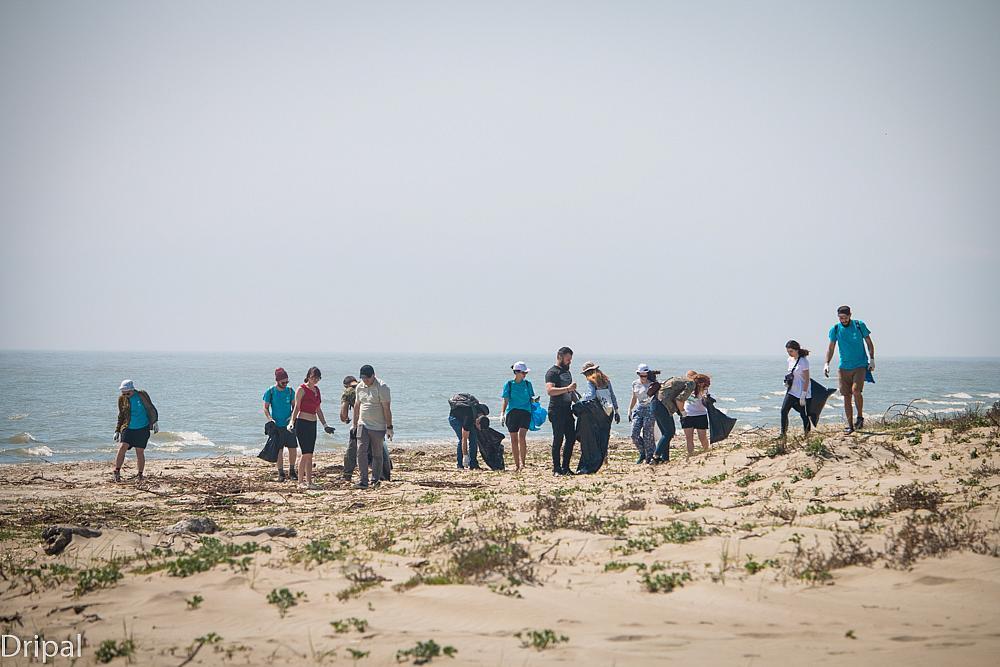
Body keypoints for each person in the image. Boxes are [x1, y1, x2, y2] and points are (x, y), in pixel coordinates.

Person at [824, 305, 875, 434]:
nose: (843, 320)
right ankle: (850, 425)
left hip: (860, 365)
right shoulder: (835, 329)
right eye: (840, 318)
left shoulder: (859, 325)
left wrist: (872, 359)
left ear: (850, 315)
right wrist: (826, 363)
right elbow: (831, 348)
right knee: (846, 396)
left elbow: (869, 342)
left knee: (856, 390)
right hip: (843, 367)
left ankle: (860, 417)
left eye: (845, 318)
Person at [289, 366, 335, 490]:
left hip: (312, 424)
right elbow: (297, 407)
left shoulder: (317, 390)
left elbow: (318, 409)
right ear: (309, 376)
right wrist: (292, 422)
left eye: (317, 378)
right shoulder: (301, 389)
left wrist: (325, 425)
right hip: (302, 423)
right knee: (305, 453)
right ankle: (300, 482)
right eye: (313, 377)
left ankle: (309, 481)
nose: (315, 380)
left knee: (310, 454)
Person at [353, 364, 393, 489]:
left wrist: (389, 427)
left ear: (373, 375)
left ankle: (375, 479)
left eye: (367, 378)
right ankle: (363, 480)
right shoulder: (360, 387)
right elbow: (357, 406)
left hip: (378, 426)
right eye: (363, 378)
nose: (365, 380)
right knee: (361, 452)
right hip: (362, 424)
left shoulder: (382, 387)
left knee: (377, 454)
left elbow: (387, 408)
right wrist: (354, 424)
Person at [113, 379, 159, 482]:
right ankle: (116, 471)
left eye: (127, 393)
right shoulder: (122, 399)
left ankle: (140, 475)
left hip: (142, 428)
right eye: (123, 393)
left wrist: (155, 422)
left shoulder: (142, 395)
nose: (125, 395)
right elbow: (121, 415)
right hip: (128, 427)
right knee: (122, 447)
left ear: (132, 390)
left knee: (139, 452)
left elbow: (151, 408)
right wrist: (117, 430)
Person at [647, 371, 694, 464]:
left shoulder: (679, 379)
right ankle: (655, 457)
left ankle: (665, 459)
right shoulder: (691, 384)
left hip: (654, 404)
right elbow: (680, 399)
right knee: (669, 432)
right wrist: (683, 413)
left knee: (665, 433)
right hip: (662, 406)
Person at [545, 347, 578, 476]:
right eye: (567, 359)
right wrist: (567, 389)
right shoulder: (552, 372)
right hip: (556, 410)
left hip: (567, 410)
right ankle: (556, 469)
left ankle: (566, 467)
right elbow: (550, 391)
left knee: (571, 438)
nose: (569, 362)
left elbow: (571, 391)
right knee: (558, 439)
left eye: (570, 360)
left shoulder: (567, 372)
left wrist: (578, 403)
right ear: (560, 357)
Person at [263, 367, 297, 482]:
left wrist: (292, 418)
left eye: (287, 382)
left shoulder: (290, 391)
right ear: (277, 380)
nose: (285, 384)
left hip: (289, 425)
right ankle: (281, 473)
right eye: (283, 382)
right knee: (279, 450)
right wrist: (270, 419)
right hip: (277, 425)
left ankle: (292, 471)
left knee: (293, 448)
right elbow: (265, 408)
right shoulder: (270, 391)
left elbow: (295, 407)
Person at [500, 361, 535, 472]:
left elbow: (531, 398)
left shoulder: (528, 384)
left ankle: (523, 463)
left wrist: (536, 401)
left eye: (526, 372)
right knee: (514, 439)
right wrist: (502, 413)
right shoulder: (509, 384)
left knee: (522, 436)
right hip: (512, 413)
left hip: (526, 412)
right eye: (523, 372)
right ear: (517, 372)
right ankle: (517, 465)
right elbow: (505, 400)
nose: (525, 374)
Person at [580, 360, 620, 450]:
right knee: (605, 434)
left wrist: (583, 398)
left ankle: (598, 456)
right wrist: (617, 411)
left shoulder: (591, 381)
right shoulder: (606, 380)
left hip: (598, 411)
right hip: (609, 410)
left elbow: (592, 395)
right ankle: (604, 455)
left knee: (597, 434)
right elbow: (612, 396)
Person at [781, 341, 812, 438]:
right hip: (791, 391)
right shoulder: (789, 360)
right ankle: (783, 434)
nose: (789, 353)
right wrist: (786, 382)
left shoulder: (804, 361)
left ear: (796, 350)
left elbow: (807, 379)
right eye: (788, 351)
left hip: (802, 392)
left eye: (791, 351)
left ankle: (807, 435)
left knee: (803, 415)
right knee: (783, 411)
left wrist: (803, 394)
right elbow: (792, 375)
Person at [627, 364, 657, 464]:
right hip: (639, 409)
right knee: (634, 434)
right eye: (641, 375)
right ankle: (642, 452)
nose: (643, 378)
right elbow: (634, 397)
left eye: (645, 375)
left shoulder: (653, 384)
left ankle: (650, 456)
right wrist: (629, 410)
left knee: (648, 435)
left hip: (650, 410)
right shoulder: (635, 383)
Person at [681, 373, 712, 456]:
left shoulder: (705, 390)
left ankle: (706, 451)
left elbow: (705, 401)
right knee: (689, 438)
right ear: (701, 383)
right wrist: (682, 411)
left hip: (701, 414)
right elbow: (681, 399)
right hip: (687, 415)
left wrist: (706, 398)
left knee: (702, 437)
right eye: (706, 384)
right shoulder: (688, 388)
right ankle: (691, 454)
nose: (707, 386)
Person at [449, 394, 482, 470]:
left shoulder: (482, 412)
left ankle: (473, 464)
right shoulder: (469, 419)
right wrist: (465, 455)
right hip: (455, 419)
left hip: (466, 415)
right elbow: (464, 439)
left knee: (473, 439)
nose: (480, 430)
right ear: (477, 422)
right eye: (480, 427)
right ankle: (460, 464)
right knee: (461, 439)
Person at [340, 375, 359, 482]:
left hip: (360, 424)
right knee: (377, 449)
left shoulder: (348, 391)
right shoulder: (365, 386)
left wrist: (346, 419)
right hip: (377, 422)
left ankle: (347, 475)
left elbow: (343, 414)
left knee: (351, 451)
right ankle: (384, 473)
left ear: (345, 385)